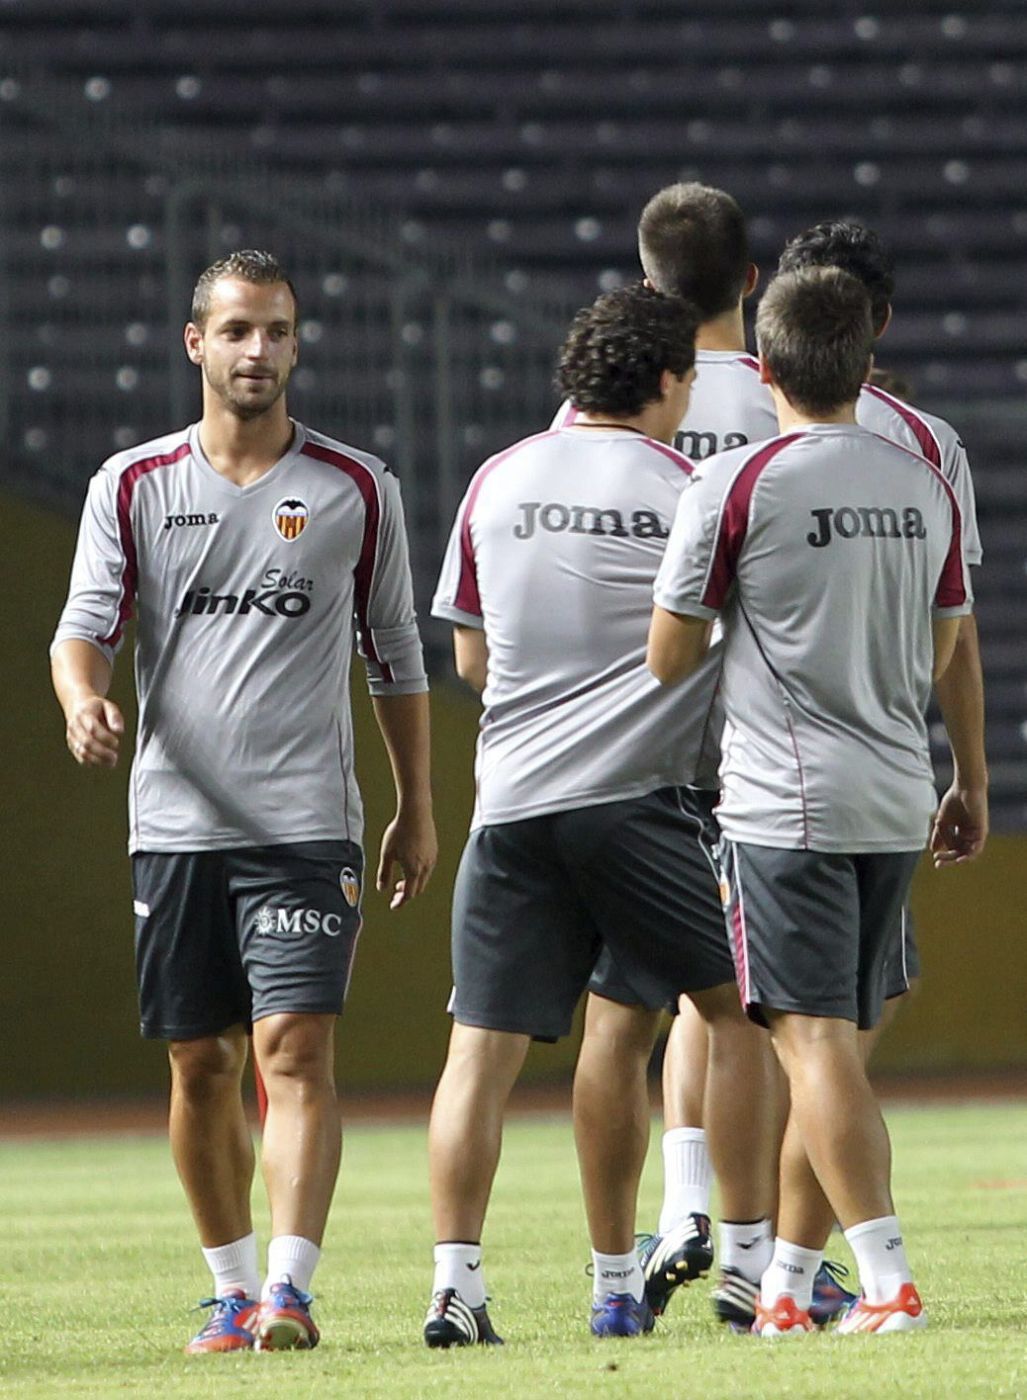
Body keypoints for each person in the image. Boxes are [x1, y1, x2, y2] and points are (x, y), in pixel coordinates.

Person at [50, 249, 437, 1355]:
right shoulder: (130, 484)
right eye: (235, 331)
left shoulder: (356, 488)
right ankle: (226, 1284)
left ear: (297, 344)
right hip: (175, 825)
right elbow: (83, 628)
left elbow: (396, 657)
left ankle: (288, 1288)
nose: (256, 350)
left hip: (307, 822)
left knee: (294, 1050)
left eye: (275, 330)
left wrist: (415, 804)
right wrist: (82, 697)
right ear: (196, 344)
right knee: (199, 1061)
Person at [424, 283, 777, 1345]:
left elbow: (472, 657)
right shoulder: (690, 485)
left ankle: (458, 1284)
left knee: (478, 1053)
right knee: (741, 1015)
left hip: (512, 806)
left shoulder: (500, 475)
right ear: (670, 379)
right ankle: (750, 1266)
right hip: (640, 806)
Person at [647, 266, 984, 1336]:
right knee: (827, 1040)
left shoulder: (738, 484)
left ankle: (886, 1279)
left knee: (811, 1045)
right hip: (896, 793)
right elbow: (942, 647)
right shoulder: (921, 479)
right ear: (860, 357)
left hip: (784, 804)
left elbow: (670, 653)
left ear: (767, 366)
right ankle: (788, 1284)